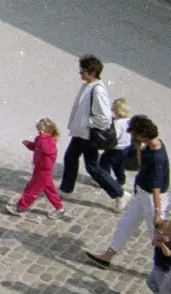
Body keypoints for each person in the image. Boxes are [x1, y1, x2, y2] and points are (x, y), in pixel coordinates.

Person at [87, 115, 168, 269]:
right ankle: (108, 256)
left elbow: (156, 188)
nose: (133, 137)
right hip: (143, 194)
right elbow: (141, 165)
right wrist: (138, 148)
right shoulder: (152, 146)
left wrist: (157, 213)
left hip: (152, 199)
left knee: (158, 236)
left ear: (142, 134)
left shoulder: (157, 157)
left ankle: (166, 267)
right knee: (126, 224)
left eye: (135, 135)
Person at [61, 55, 125, 210]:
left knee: (92, 167)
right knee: (70, 157)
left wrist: (86, 123)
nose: (80, 73)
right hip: (80, 133)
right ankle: (66, 189)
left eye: (82, 71)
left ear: (92, 72)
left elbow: (104, 119)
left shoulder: (98, 91)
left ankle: (119, 193)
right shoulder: (88, 86)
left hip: (88, 135)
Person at [6, 118, 66, 219]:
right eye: (39, 130)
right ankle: (60, 208)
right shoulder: (41, 139)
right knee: (49, 190)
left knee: (32, 190)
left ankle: (21, 207)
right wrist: (29, 144)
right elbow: (37, 147)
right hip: (39, 169)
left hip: (44, 171)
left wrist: (41, 139)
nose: (40, 132)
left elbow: (46, 150)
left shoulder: (50, 142)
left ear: (50, 130)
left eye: (42, 130)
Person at [101, 97, 134, 194]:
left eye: (113, 108)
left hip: (115, 149)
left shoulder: (117, 123)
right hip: (126, 148)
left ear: (118, 110)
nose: (111, 110)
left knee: (103, 165)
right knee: (119, 166)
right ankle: (121, 180)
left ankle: (108, 182)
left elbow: (114, 137)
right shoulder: (129, 121)